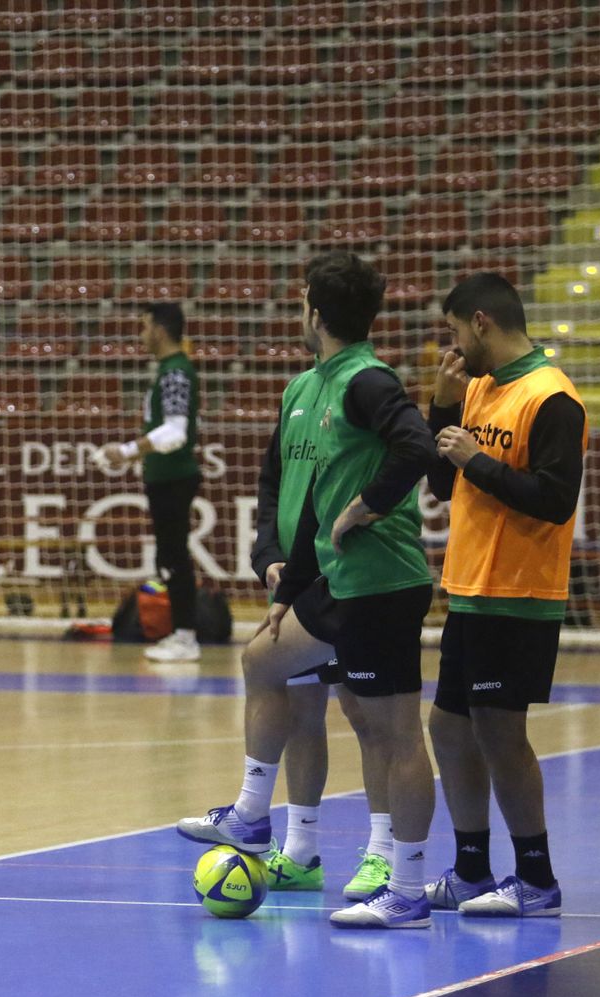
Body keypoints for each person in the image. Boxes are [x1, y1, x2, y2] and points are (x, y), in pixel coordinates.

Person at [176, 250, 438, 929]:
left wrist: (368, 506)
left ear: (311, 311)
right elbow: (305, 497)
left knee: (391, 729)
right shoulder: (309, 387)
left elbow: (418, 448)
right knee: (267, 661)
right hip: (330, 580)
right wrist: (286, 583)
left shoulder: (365, 380)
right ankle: (262, 822)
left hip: (377, 579)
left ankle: (400, 881)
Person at [423, 273, 585, 918]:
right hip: (470, 589)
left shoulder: (552, 398)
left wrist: (477, 462)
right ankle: (469, 870)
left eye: (457, 331)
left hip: (519, 592)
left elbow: (554, 500)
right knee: (450, 728)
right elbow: (442, 483)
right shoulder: (480, 389)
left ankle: (537, 878)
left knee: (500, 733)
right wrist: (440, 406)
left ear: (483, 322)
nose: (455, 346)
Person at [253, 368, 392, 902]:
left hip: (351, 576)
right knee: (299, 708)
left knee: (366, 714)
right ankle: (302, 851)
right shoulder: (296, 391)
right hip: (296, 581)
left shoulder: (363, 389)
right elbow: (274, 484)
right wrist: (268, 557)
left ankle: (382, 856)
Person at [98, 303, 202, 662]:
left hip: (173, 476)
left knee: (174, 556)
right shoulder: (168, 371)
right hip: (164, 477)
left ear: (159, 329)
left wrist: (128, 450)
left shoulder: (175, 372)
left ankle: (185, 636)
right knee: (168, 555)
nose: (141, 336)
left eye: (144, 327)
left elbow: (175, 433)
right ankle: (181, 633)